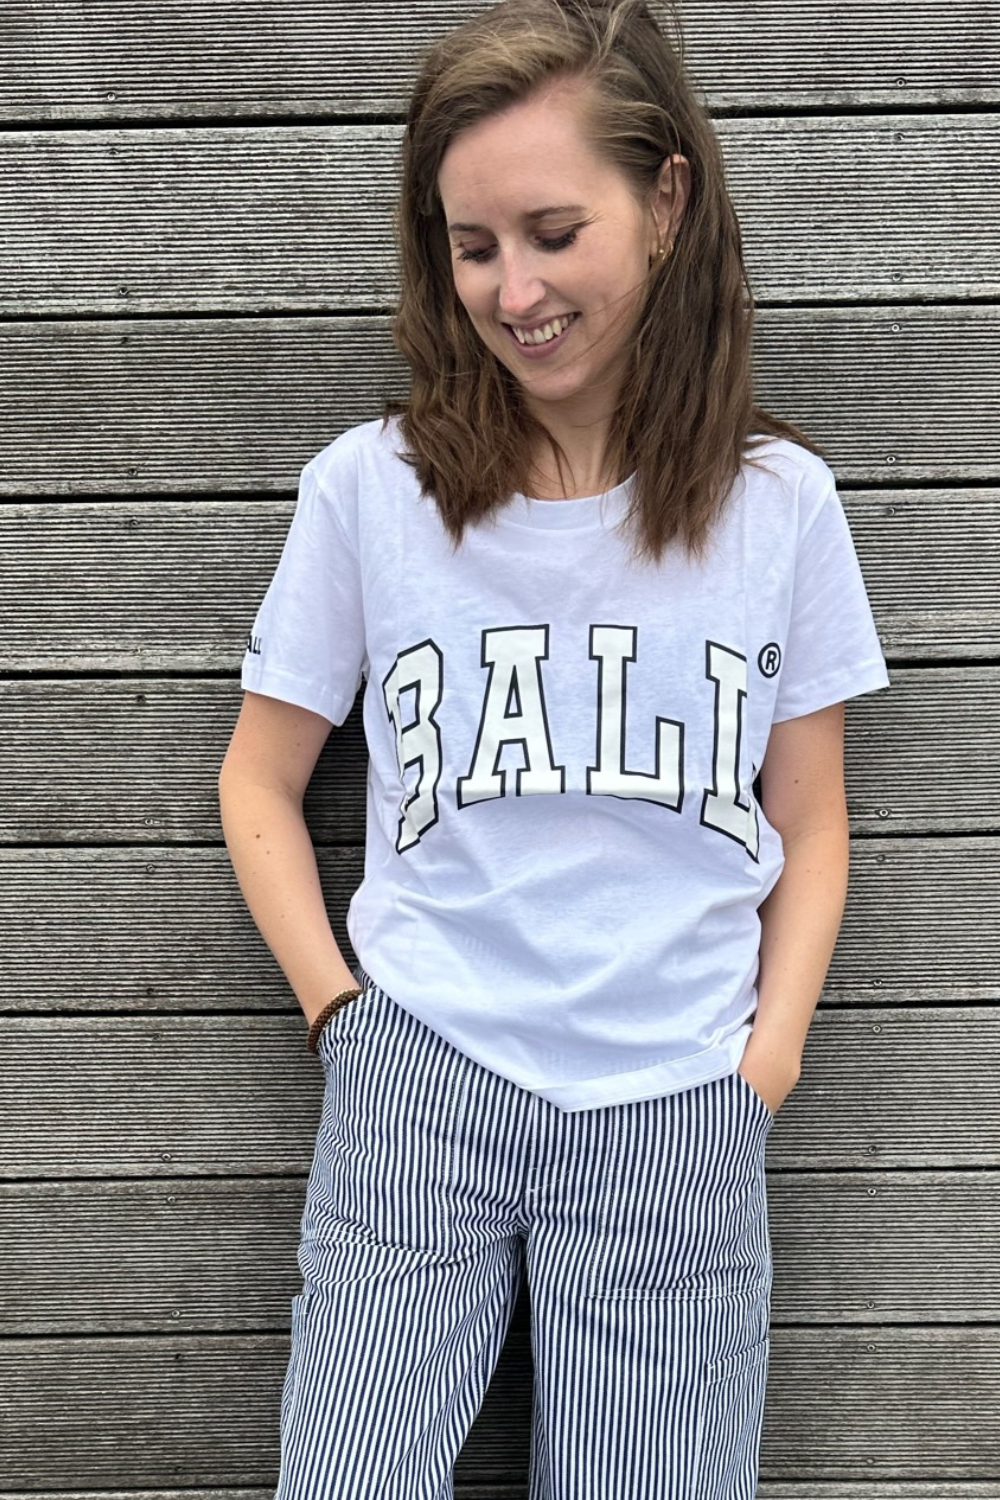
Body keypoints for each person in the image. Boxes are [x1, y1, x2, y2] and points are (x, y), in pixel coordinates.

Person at [218, 0, 890, 1495]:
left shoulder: (781, 508)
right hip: (422, 1077)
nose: (513, 291)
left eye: (552, 232)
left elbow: (815, 821)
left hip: (677, 1107)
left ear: (667, 202)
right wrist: (345, 1021)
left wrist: (762, 1069)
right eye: (473, 248)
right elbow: (257, 777)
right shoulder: (371, 493)